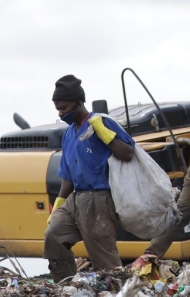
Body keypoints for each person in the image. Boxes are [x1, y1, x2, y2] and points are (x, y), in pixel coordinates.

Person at [44, 74, 136, 280]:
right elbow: (67, 173)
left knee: (104, 262)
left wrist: (104, 133)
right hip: (75, 198)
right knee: (54, 234)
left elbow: (127, 153)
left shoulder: (101, 123)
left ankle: (118, 295)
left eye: (64, 108)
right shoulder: (69, 133)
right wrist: (59, 202)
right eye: (58, 109)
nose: (60, 113)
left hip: (100, 199)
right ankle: (66, 283)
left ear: (78, 103)